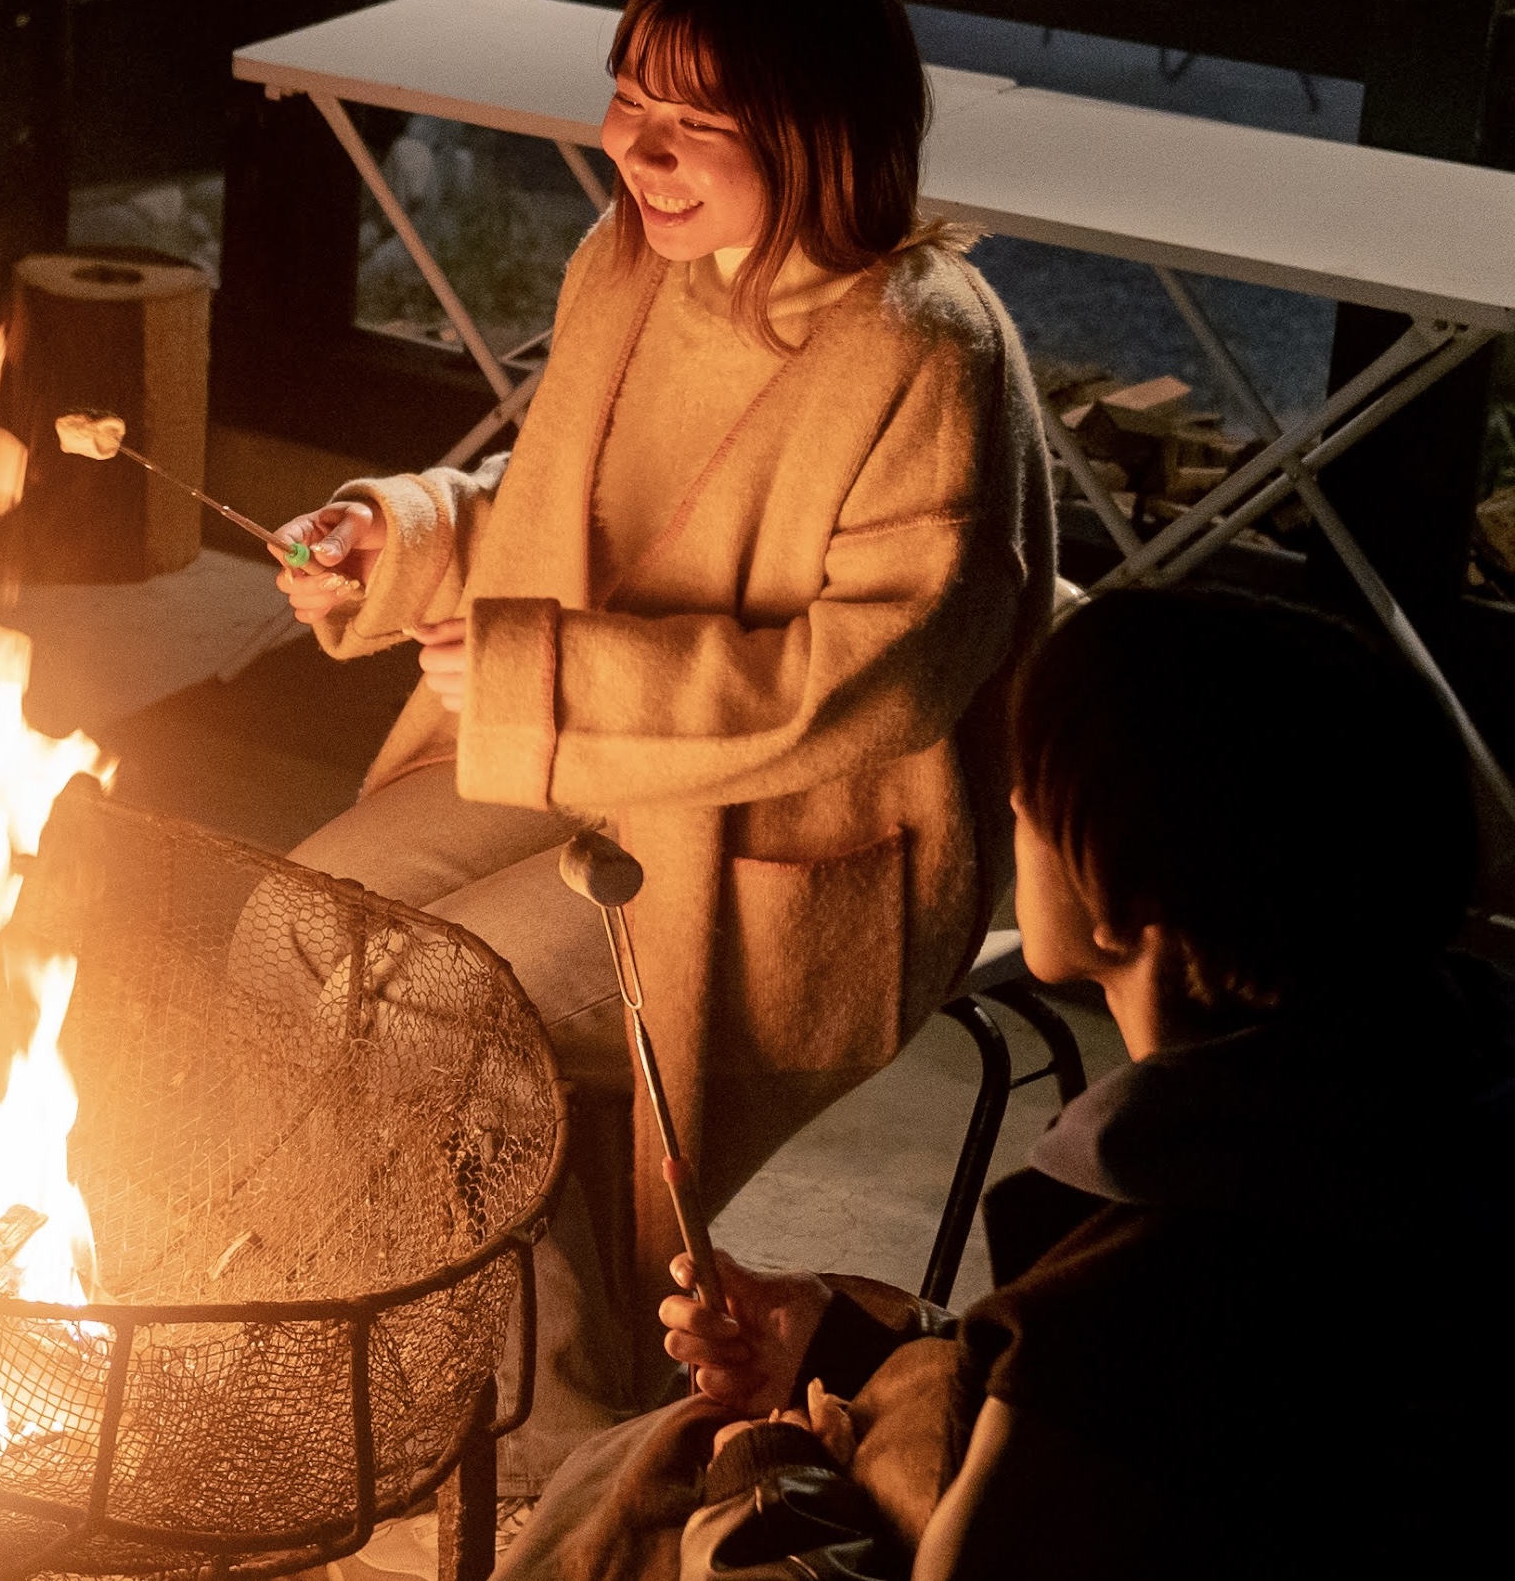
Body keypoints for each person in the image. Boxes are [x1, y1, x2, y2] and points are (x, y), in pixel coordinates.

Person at [270, 0, 1055, 1482]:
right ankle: (409, 1350)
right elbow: (545, 507)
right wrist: (401, 539)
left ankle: (558, 1448)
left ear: (818, 132)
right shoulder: (624, 267)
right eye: (630, 97)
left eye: (697, 125)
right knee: (289, 928)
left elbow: (866, 686)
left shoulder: (922, 352)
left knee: (439, 1014)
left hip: (794, 837)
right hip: (579, 744)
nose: (638, 146)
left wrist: (540, 674)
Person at [498, 587, 1512, 1580]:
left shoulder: (1136, 1322)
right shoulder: (1436, 1113)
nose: (1013, 800)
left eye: (1035, 790)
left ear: (1122, 903)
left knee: (659, 1465)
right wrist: (839, 1342)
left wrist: (762, 1479)